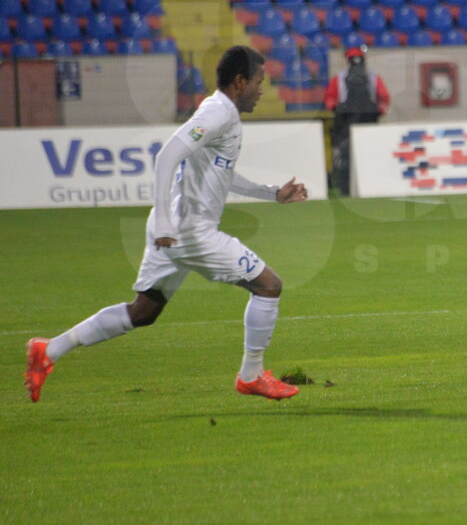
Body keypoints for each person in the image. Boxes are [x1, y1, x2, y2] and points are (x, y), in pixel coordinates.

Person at [23, 46, 309, 403]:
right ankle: (251, 375)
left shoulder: (218, 111)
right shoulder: (219, 114)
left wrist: (271, 194)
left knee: (142, 312)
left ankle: (48, 351)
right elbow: (167, 155)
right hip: (188, 231)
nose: (261, 90)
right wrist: (163, 219)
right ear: (240, 82)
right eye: (258, 82)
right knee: (268, 286)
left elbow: (221, 173)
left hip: (173, 228)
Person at [324, 45, 390, 196]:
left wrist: (336, 109)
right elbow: (384, 97)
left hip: (346, 124)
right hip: (369, 123)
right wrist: (379, 111)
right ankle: (372, 188)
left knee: (346, 158)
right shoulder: (374, 77)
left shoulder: (339, 78)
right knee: (372, 156)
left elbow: (330, 99)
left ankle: (346, 190)